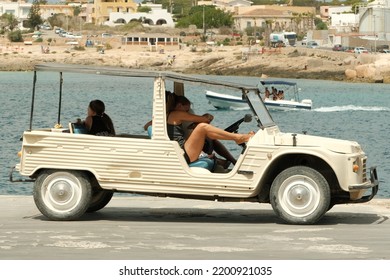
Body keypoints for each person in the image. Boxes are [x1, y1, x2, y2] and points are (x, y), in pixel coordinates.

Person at [167, 95, 254, 164]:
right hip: (183, 155)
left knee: (210, 137)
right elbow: (206, 120)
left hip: (183, 152)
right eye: (186, 110)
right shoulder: (176, 114)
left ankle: (234, 158)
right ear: (179, 105)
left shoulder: (168, 115)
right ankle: (238, 137)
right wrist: (206, 117)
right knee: (202, 127)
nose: (187, 112)